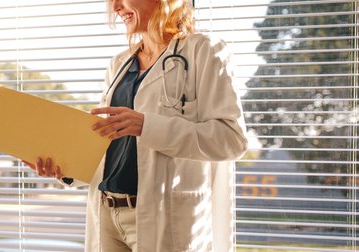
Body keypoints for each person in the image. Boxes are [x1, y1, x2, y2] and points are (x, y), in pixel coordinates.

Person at [26, 0, 248, 251]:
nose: (117, 8)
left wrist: (146, 126)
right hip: (107, 212)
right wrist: (65, 167)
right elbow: (109, 144)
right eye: (113, 3)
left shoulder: (204, 50)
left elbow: (231, 140)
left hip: (161, 215)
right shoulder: (119, 64)